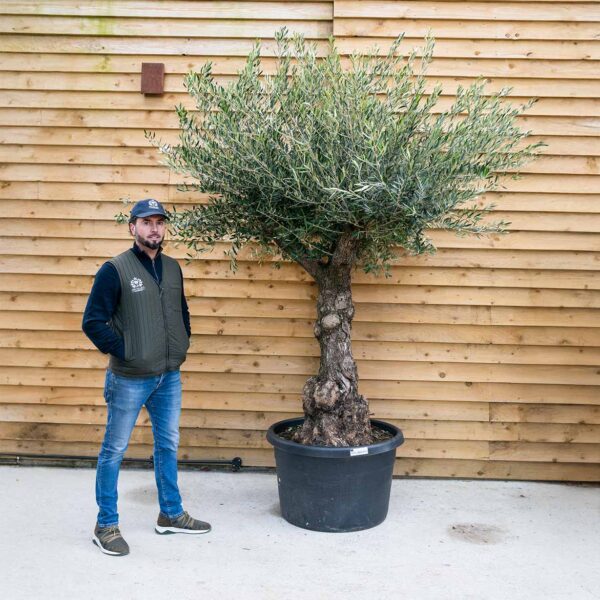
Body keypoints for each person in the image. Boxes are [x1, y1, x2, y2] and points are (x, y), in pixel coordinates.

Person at [82, 198, 211, 556]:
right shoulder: (115, 270)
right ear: (132, 228)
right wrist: (129, 350)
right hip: (129, 378)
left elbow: (181, 312)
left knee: (168, 444)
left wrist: (182, 340)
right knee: (114, 450)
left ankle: (170, 514)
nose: (154, 228)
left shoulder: (172, 268)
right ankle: (105, 524)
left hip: (168, 376)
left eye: (160, 222)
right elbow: (92, 322)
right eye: (146, 221)